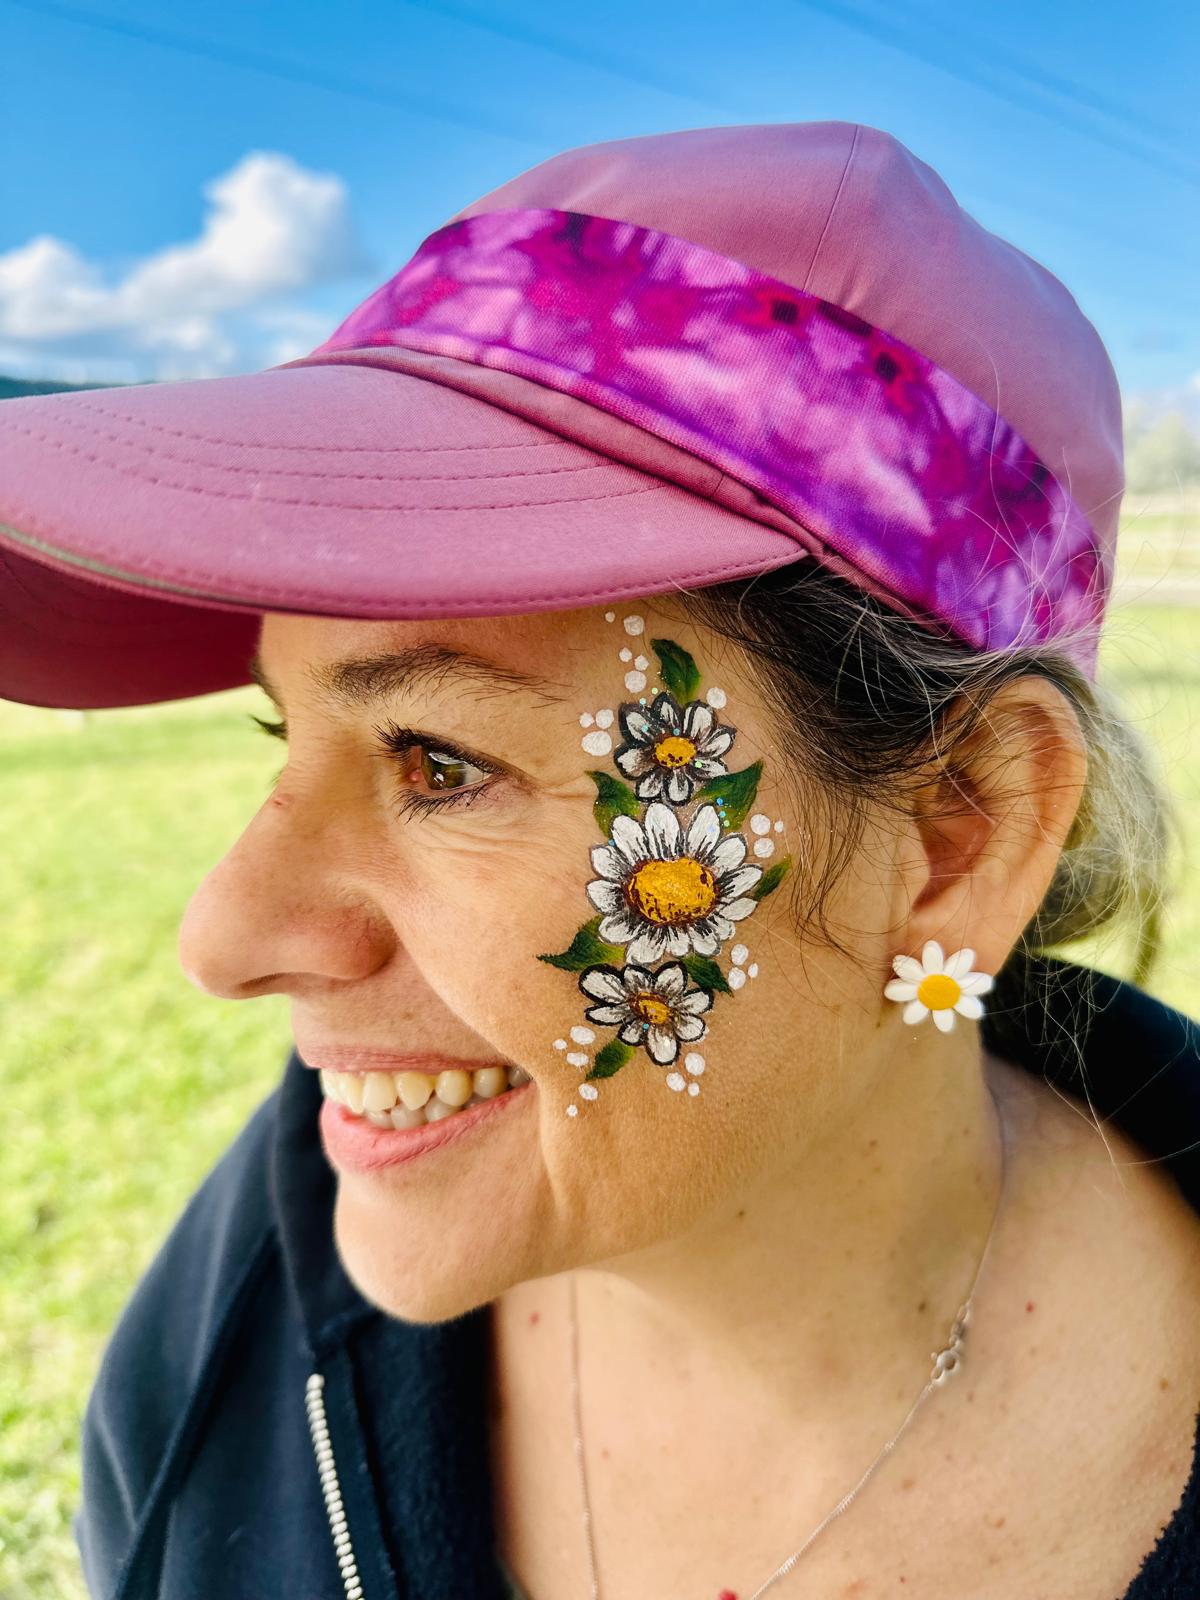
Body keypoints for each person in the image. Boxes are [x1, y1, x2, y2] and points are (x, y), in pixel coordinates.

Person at [1, 121, 1198, 1600]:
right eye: (281, 734)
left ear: (962, 832)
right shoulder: (265, 1259)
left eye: (442, 763)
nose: (224, 936)